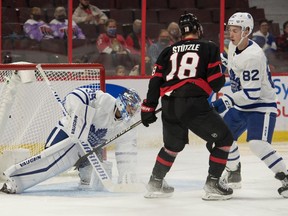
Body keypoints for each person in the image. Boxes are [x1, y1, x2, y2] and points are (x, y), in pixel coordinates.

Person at [140, 13, 234, 200]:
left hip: (169, 103)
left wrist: (149, 107)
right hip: (193, 103)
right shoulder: (209, 47)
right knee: (224, 138)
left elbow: (155, 82)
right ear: (198, 29)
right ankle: (213, 183)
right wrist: (221, 73)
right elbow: (216, 83)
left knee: (172, 146)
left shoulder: (167, 51)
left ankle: (155, 182)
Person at [0, 86, 141, 194]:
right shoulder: (104, 100)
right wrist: (77, 114)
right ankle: (14, 179)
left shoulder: (126, 125)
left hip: (86, 148)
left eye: (134, 110)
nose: (132, 112)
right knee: (48, 160)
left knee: (91, 177)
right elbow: (77, 95)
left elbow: (126, 150)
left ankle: (85, 176)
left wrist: (127, 173)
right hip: (67, 133)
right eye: (131, 107)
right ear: (123, 102)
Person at [212, 12, 288, 198]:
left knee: (257, 144)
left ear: (246, 31)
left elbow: (252, 95)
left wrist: (225, 101)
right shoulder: (234, 45)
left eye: (235, 30)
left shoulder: (253, 56)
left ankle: (285, 177)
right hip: (242, 104)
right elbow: (230, 63)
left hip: (261, 105)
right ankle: (234, 171)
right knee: (221, 137)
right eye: (230, 30)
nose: (231, 34)